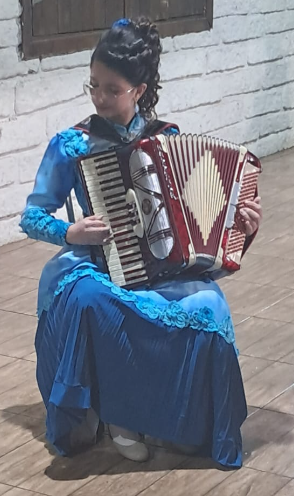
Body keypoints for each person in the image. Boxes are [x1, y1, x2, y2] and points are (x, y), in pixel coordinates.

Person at [20, 17, 262, 469]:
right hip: (93, 262)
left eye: (111, 89)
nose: (98, 97)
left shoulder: (167, 140)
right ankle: (117, 416)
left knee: (208, 307)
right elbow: (31, 216)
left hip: (161, 268)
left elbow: (201, 236)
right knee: (90, 299)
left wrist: (243, 228)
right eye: (93, 85)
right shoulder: (72, 144)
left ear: (139, 89)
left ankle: (183, 419)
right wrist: (69, 232)